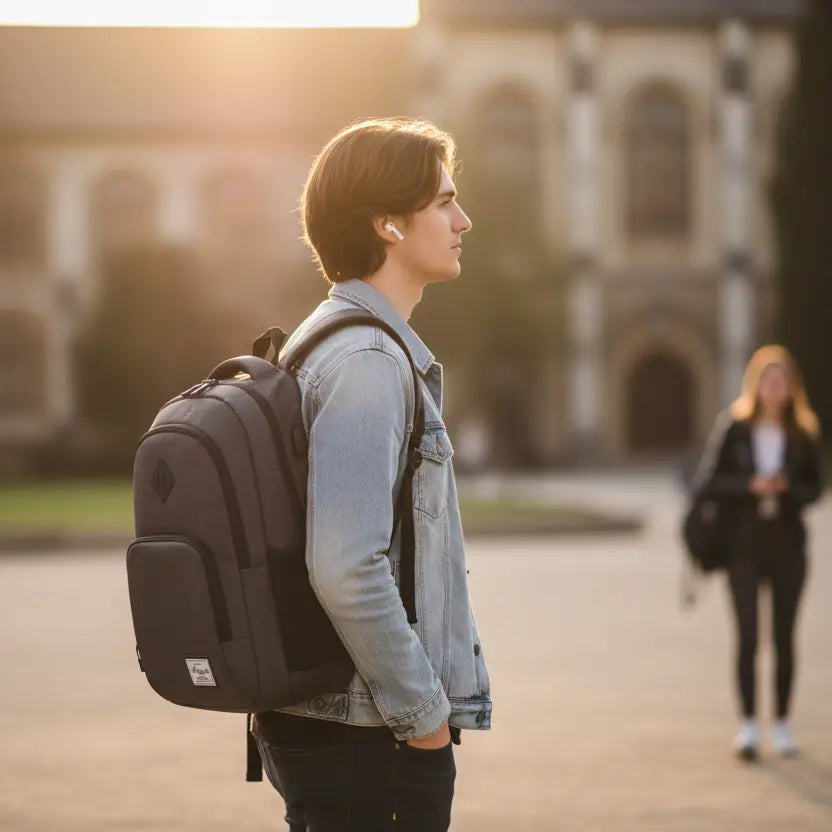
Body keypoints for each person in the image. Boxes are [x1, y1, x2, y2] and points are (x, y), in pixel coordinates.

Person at [253, 118, 492, 830]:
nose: (463, 220)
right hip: (366, 731)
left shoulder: (335, 341)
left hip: (340, 724)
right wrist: (424, 718)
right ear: (388, 224)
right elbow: (345, 564)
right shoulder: (367, 362)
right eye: (445, 202)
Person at [692, 345, 823, 760]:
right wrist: (750, 485)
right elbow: (709, 482)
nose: (773, 388)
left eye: (781, 380)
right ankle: (748, 725)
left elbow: (817, 487)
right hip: (742, 547)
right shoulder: (734, 428)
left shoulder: (802, 432)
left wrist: (788, 489)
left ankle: (781, 723)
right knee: (748, 637)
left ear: (790, 388)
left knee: (785, 637)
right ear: (756, 384)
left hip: (787, 545)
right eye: (767, 380)